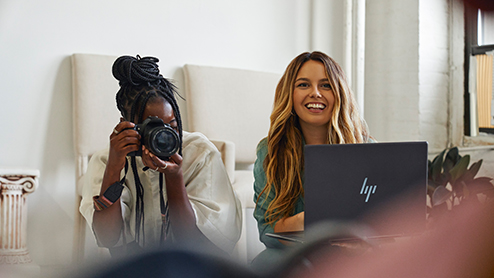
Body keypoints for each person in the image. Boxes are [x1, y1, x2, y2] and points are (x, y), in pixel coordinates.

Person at [80, 55, 242, 257]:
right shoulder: (107, 160)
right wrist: (114, 167)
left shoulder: (199, 153)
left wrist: (174, 177)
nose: (163, 134)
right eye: (151, 127)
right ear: (127, 124)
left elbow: (194, 244)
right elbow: (107, 238)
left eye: (172, 126)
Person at [252, 51, 372, 262]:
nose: (315, 93)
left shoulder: (368, 149)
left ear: (339, 93)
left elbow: (388, 222)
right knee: (266, 262)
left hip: (354, 258)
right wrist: (306, 221)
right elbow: (267, 231)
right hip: (296, 256)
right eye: (303, 84)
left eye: (325, 85)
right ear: (289, 93)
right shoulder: (270, 152)